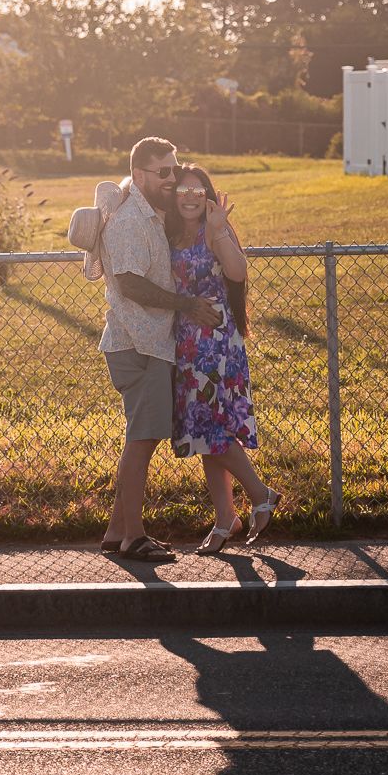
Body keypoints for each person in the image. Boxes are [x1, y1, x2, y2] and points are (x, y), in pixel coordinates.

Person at [97, 136, 222, 562]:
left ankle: (117, 531)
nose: (172, 178)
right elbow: (130, 283)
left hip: (147, 343)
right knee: (143, 440)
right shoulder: (131, 220)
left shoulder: (149, 213)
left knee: (141, 438)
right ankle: (134, 537)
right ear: (139, 175)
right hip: (139, 344)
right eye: (163, 172)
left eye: (174, 168)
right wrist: (187, 304)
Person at [167, 163, 279, 553]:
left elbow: (237, 271)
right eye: (183, 191)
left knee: (210, 426)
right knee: (205, 431)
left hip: (215, 341)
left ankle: (261, 494)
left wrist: (218, 233)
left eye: (198, 191)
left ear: (208, 195)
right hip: (186, 341)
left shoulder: (213, 227)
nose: (190, 197)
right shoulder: (170, 232)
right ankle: (224, 518)